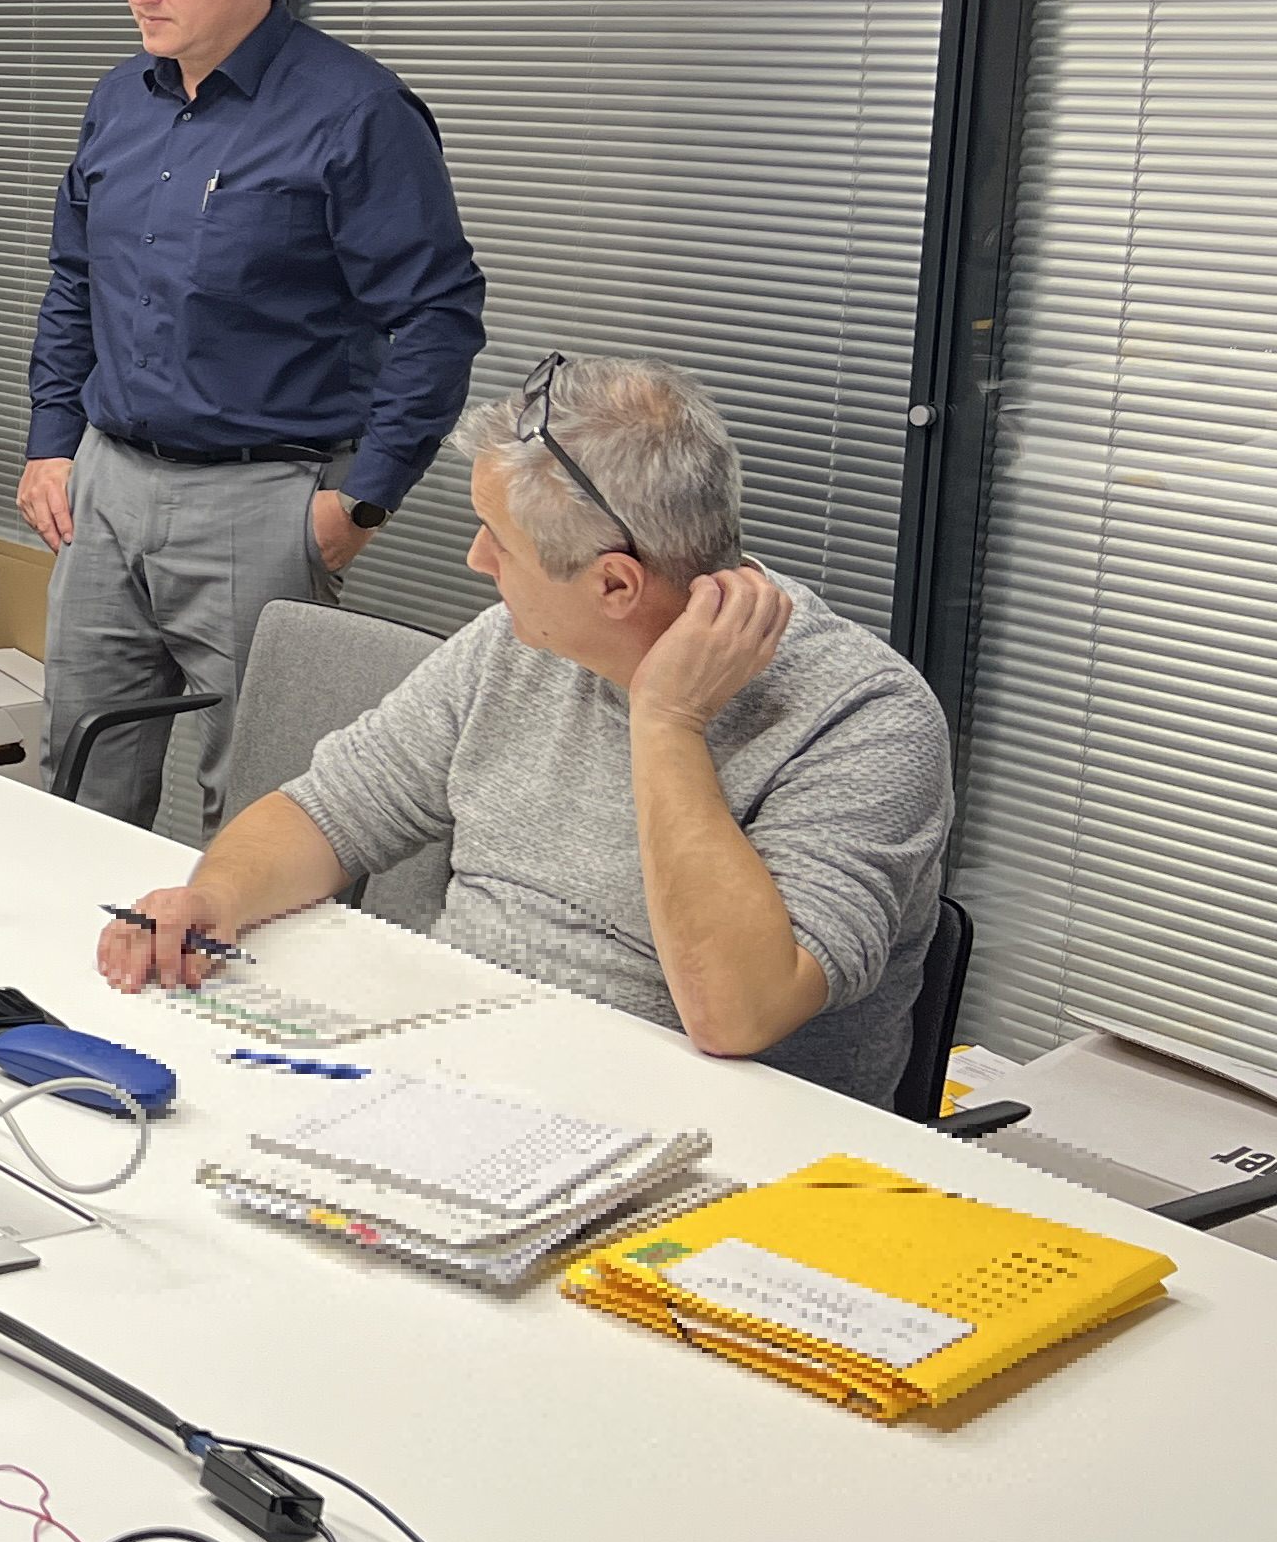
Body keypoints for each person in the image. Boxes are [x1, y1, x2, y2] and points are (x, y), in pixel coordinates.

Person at [100, 356, 955, 1107]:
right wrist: (215, 898)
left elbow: (738, 1015)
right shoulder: (517, 645)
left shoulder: (865, 719)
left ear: (615, 586)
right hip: (460, 1079)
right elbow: (329, 811)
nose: (477, 560)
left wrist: (668, 721)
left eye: (499, 543)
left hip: (716, 1154)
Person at [22, 0, 486, 826]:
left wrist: (361, 502)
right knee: (79, 779)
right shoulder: (119, 99)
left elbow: (437, 315)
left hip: (261, 499)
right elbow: (75, 281)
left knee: (259, 807)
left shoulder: (357, 113)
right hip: (105, 488)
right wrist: (51, 441)